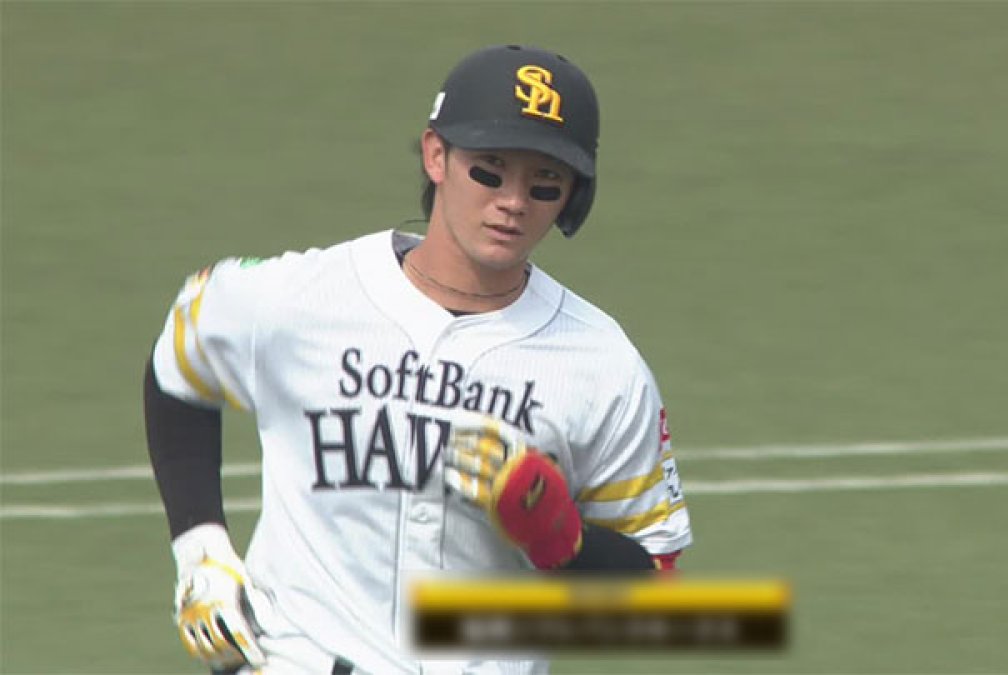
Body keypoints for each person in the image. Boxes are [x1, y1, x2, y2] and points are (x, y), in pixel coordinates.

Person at [143, 44, 692, 674]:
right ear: (436, 156)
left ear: (571, 195)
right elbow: (180, 362)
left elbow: (655, 588)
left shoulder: (600, 364)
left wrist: (559, 538)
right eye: (489, 171)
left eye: (544, 182)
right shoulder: (301, 298)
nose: (513, 201)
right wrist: (201, 550)